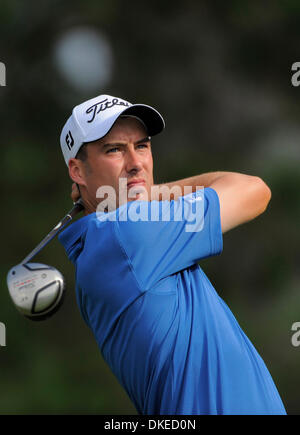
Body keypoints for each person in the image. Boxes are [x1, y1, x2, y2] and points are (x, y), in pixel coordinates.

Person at [58, 94, 286, 415]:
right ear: (77, 171)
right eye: (114, 150)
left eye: (142, 145)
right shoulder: (129, 235)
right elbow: (253, 189)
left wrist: (137, 194)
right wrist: (149, 192)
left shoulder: (102, 245)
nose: (136, 162)